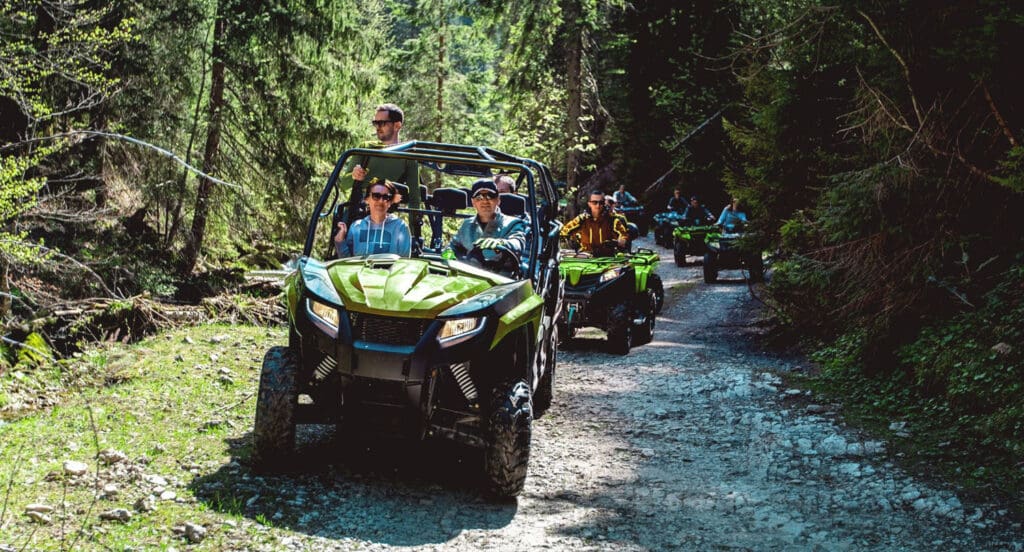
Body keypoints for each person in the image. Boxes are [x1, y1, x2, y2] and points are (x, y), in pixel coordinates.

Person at [345, 103, 421, 208]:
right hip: (355, 212)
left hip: (384, 215)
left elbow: (414, 196)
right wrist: (354, 176)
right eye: (375, 123)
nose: (377, 127)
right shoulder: (366, 148)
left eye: (382, 123)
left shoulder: (408, 155)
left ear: (397, 125)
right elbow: (343, 184)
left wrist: (415, 223)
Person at [448, 179, 528, 260]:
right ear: (473, 202)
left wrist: (502, 243)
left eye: (490, 196)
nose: (485, 201)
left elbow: (518, 243)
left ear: (498, 200)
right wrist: (448, 259)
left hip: (499, 272)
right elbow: (451, 247)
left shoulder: (513, 224)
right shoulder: (467, 225)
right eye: (479, 197)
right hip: (468, 271)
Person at [334, 179, 412, 257]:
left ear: (390, 202)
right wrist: (339, 241)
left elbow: (404, 263)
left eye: (386, 197)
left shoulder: (400, 227)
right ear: (367, 199)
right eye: (376, 196)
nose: (381, 201)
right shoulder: (356, 227)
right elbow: (346, 263)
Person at [560, 190, 629, 254]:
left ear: (604, 203)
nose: (598, 205)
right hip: (586, 256)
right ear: (589, 203)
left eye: (601, 202)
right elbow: (564, 231)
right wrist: (571, 242)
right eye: (594, 202)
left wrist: (621, 240)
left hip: (607, 257)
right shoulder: (581, 219)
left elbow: (623, 234)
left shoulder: (612, 220)